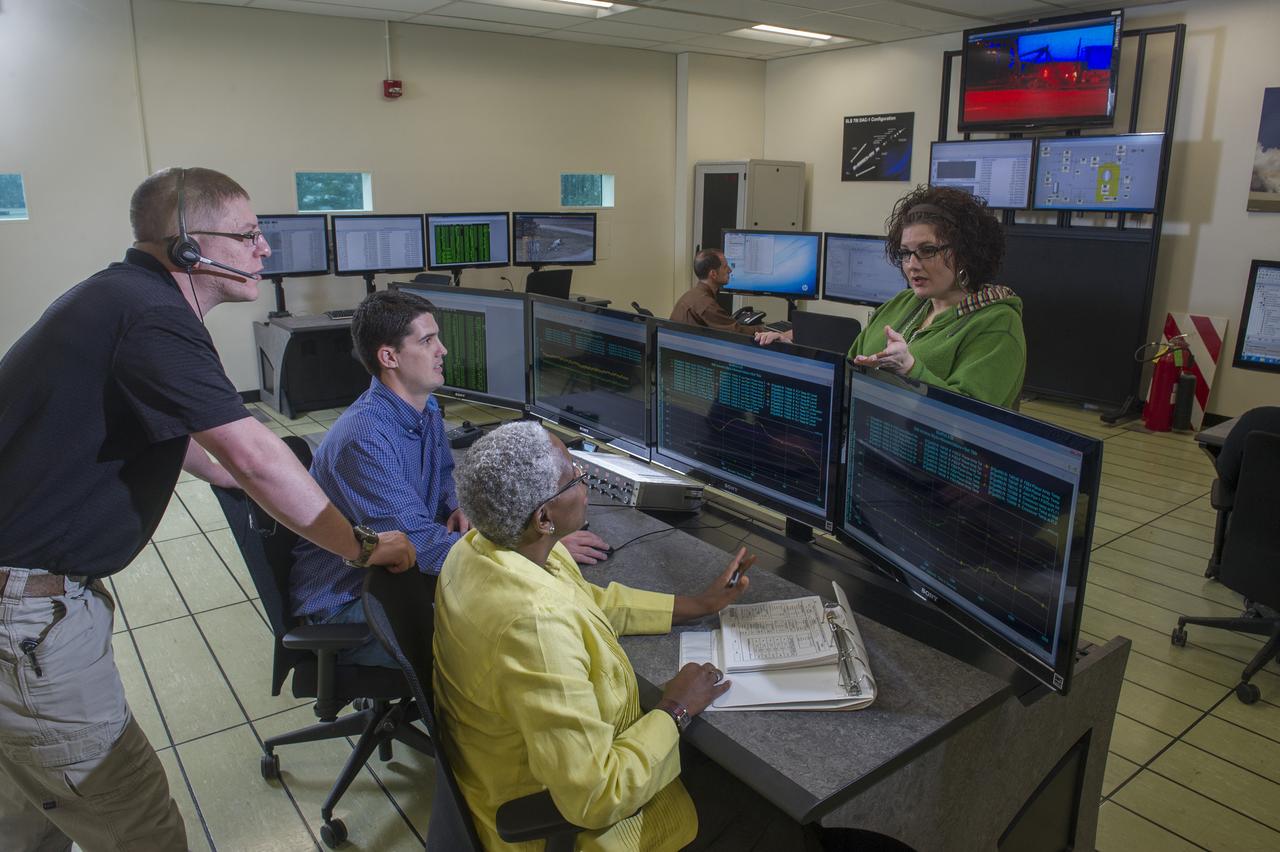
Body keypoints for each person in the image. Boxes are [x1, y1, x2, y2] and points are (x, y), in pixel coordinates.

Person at [0, 167, 414, 852]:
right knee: (141, 829)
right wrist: (362, 547)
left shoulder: (118, 297)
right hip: (27, 621)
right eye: (249, 235)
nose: (265, 250)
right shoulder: (155, 316)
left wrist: (215, 470)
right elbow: (257, 453)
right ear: (190, 247)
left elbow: (162, 422)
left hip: (18, 607)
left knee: (31, 815)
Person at [435, 421, 763, 851]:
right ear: (544, 517)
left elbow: (590, 600)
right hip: (579, 828)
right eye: (574, 475)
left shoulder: (481, 546)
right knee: (769, 822)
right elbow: (595, 797)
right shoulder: (533, 628)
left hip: (506, 770)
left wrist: (698, 605)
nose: (586, 482)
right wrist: (676, 709)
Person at [289, 290, 610, 667]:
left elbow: (443, 477)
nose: (442, 349)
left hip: (399, 580)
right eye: (427, 341)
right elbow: (420, 545)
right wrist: (531, 550)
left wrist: (456, 505)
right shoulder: (364, 441)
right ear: (388, 357)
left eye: (437, 337)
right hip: (352, 605)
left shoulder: (424, 408)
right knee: (520, 633)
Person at [757, 186, 1026, 409]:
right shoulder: (903, 304)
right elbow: (850, 369)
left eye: (927, 250)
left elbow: (971, 420)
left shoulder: (998, 324)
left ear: (966, 252)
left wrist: (910, 369)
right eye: (905, 253)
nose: (911, 264)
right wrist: (797, 350)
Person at [670, 249, 758, 335]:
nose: (730, 270)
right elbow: (736, 331)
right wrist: (764, 329)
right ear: (713, 274)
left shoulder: (693, 294)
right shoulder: (705, 304)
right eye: (725, 267)